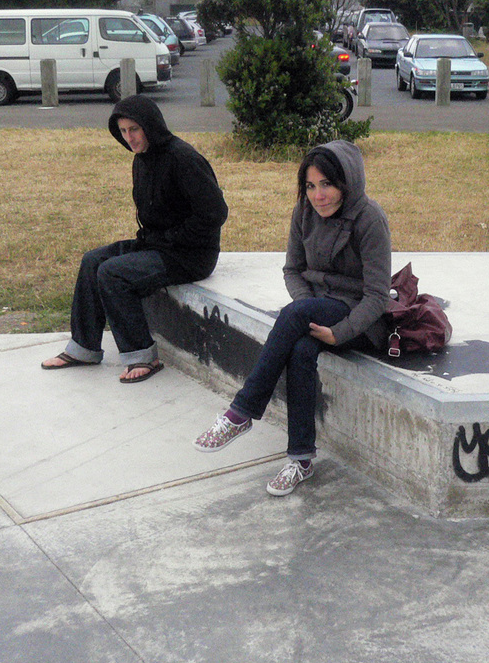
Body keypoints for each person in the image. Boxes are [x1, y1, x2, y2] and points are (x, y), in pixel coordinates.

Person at [193, 140, 391, 496]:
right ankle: (300, 459)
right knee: (300, 351)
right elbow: (292, 270)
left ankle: (242, 411)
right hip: (314, 306)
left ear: (347, 182)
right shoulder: (303, 211)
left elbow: (377, 296)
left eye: (327, 185)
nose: (319, 195)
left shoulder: (370, 218)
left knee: (297, 321)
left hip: (360, 317)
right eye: (311, 186)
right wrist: (305, 310)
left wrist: (339, 332)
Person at [42, 95, 228, 383]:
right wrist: (157, 240)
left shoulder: (183, 158)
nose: (129, 137)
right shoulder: (142, 159)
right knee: (93, 260)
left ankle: (142, 355)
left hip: (190, 255)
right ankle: (84, 348)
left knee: (113, 273)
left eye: (134, 129)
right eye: (123, 131)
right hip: (157, 245)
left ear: (150, 126)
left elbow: (215, 213)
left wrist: (173, 238)